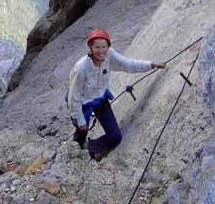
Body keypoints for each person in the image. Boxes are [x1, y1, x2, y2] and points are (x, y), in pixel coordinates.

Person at [67, 28, 165, 161]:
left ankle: (88, 148)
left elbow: (129, 65)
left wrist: (151, 64)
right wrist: (80, 120)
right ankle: (75, 155)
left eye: (104, 47)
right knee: (80, 133)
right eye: (97, 47)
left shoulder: (109, 56)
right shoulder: (81, 68)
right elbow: (74, 97)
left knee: (115, 137)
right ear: (90, 47)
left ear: (108, 47)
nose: (101, 51)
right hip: (83, 103)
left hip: (101, 100)